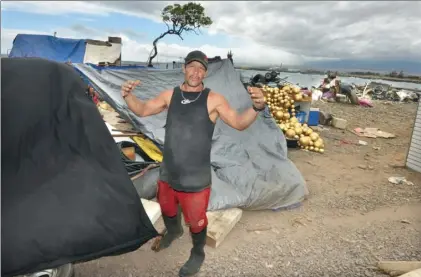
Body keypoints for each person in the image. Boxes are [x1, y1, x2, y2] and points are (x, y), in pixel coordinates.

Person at [121, 50, 265, 277]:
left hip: (196, 178)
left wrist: (257, 107)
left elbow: (239, 123)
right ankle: (173, 232)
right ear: (184, 68)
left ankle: (198, 252)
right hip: (168, 173)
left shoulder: (214, 99)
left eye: (201, 68)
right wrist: (128, 96)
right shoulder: (170, 95)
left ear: (205, 73)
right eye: (192, 66)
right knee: (168, 210)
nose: (196, 72)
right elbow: (143, 109)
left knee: (196, 221)